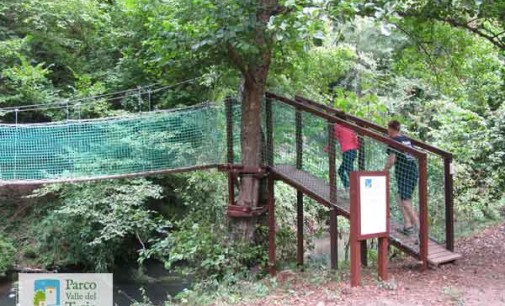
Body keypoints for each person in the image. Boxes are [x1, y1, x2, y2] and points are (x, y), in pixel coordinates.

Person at [384, 120, 420, 236]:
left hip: (404, 174)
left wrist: (383, 171)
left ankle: (420, 229)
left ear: (391, 129)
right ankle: (407, 225)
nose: (387, 131)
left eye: (387, 129)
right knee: (401, 197)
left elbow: (392, 160)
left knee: (405, 201)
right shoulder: (406, 139)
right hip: (413, 172)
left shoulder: (394, 141)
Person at [325, 123, 359, 198]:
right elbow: (355, 138)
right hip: (353, 152)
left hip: (347, 152)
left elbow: (334, 138)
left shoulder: (337, 126)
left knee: (349, 172)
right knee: (341, 171)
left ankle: (354, 192)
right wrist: (356, 146)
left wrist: (327, 148)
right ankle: (348, 188)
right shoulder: (349, 126)